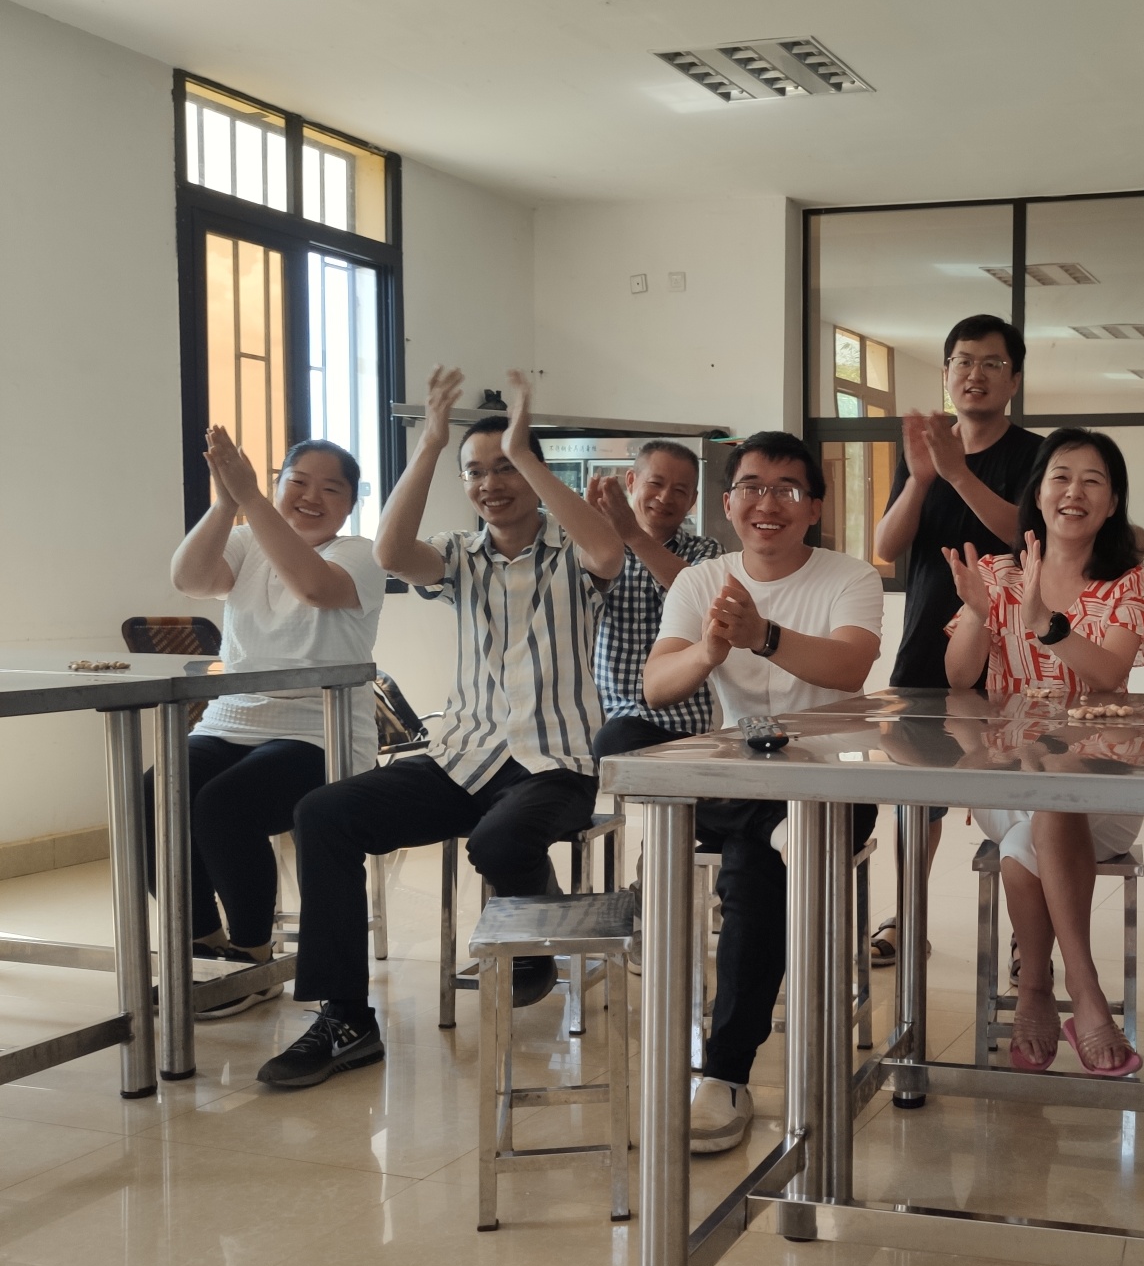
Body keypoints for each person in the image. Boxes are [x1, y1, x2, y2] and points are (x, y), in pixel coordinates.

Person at [258, 366, 625, 1089]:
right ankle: (345, 1018)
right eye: (475, 472)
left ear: (533, 471)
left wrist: (522, 449)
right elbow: (392, 554)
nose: (490, 483)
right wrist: (429, 442)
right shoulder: (459, 556)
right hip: (463, 757)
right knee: (323, 814)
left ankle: (533, 941)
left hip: (558, 764)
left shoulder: (573, 552)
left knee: (500, 840)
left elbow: (608, 551)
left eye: (505, 467)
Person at [645, 431, 884, 1152]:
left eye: (787, 490)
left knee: (753, 870)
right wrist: (709, 650)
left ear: (814, 507)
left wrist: (762, 635)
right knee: (746, 829)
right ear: (728, 504)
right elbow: (658, 686)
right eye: (752, 487)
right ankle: (773, 834)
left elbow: (849, 668)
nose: (767, 503)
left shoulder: (850, 577)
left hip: (833, 785)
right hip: (741, 782)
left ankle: (725, 1072)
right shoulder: (700, 581)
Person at [943, 428, 1144, 1077]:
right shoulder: (997, 574)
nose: (1074, 492)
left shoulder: (1129, 582)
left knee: (1039, 819)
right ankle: (1086, 997)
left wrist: (1045, 623)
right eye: (1060, 477)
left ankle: (1037, 987)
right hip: (1005, 779)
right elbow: (959, 678)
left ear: (1113, 502)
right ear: (1036, 494)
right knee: (1039, 807)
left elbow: (1108, 674)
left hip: (1105, 788)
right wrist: (980, 613)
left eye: (1093, 481)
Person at [153, 428, 386, 1017]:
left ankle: (254, 958)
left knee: (224, 804)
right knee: (157, 792)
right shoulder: (244, 539)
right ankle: (205, 944)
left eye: (330, 489)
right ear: (279, 484)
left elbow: (313, 588)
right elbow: (190, 580)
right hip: (231, 719)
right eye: (297, 482)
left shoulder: (360, 554)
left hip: (320, 731)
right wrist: (227, 502)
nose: (310, 497)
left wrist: (252, 499)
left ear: (350, 503)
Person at [868, 314, 1044, 965]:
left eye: (992, 363)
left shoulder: (1036, 455)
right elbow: (887, 547)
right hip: (925, 649)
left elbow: (1029, 534)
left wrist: (958, 473)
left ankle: (1029, 934)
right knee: (919, 802)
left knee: (1021, 802)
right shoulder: (925, 453)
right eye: (964, 361)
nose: (975, 374)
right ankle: (907, 917)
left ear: (1014, 380)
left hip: (1014, 658)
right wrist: (923, 477)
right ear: (946, 373)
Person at [585, 440, 723, 757]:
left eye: (680, 490)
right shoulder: (602, 551)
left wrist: (633, 534)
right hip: (606, 724)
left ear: (693, 499)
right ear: (631, 481)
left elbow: (697, 594)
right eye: (656, 483)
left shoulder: (706, 551)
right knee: (618, 736)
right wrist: (589, 529)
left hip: (684, 727)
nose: (664, 497)